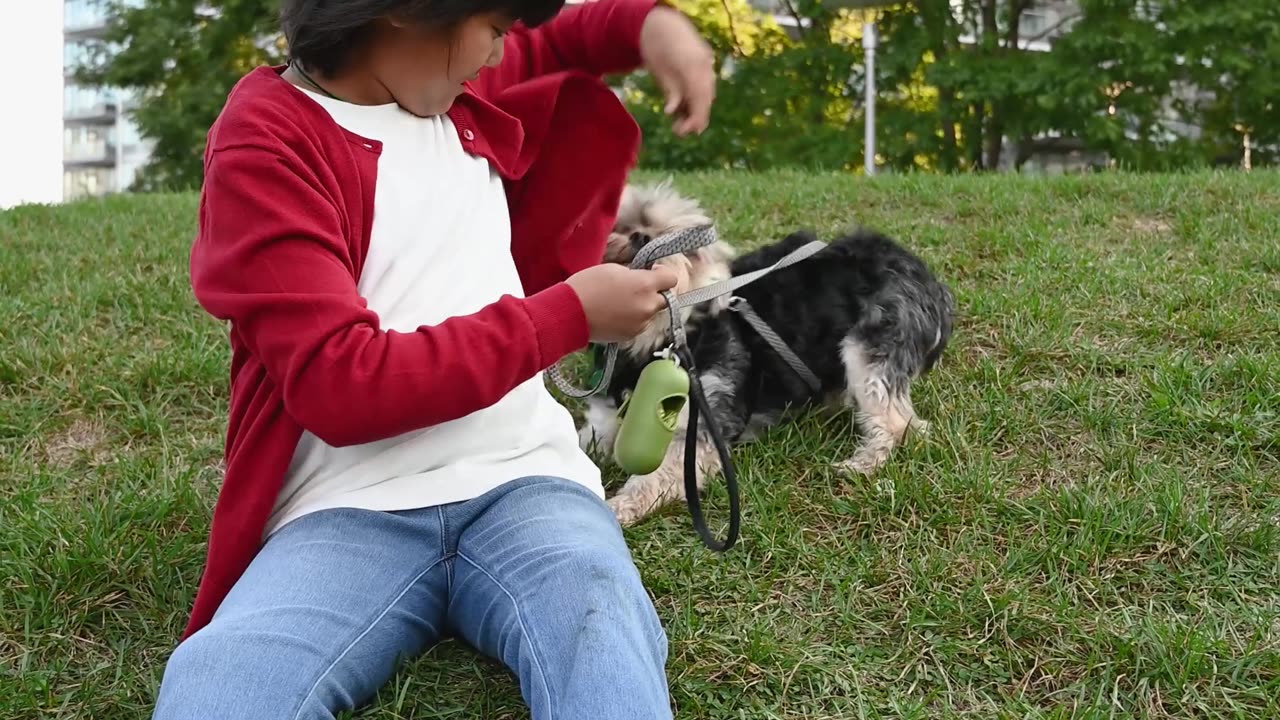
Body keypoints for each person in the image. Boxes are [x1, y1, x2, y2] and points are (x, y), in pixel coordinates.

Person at [150, 0, 716, 717]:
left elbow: (566, 34)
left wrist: (655, 29)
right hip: (344, 510)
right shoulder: (265, 141)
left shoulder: (450, 75)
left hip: (526, 485)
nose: (502, 52)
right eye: (495, 29)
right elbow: (340, 381)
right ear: (405, 13)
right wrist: (569, 314)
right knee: (222, 685)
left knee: (601, 625)